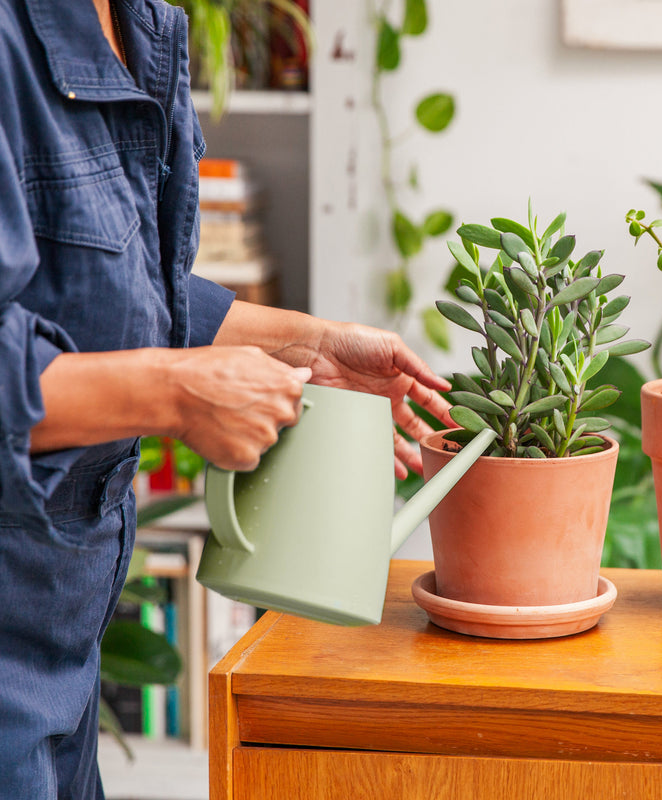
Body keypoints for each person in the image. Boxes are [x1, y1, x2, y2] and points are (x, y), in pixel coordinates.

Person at [0, 0, 453, 796]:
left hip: (65, 642)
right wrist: (177, 394)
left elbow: (108, 287)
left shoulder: (140, 24)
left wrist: (304, 342)